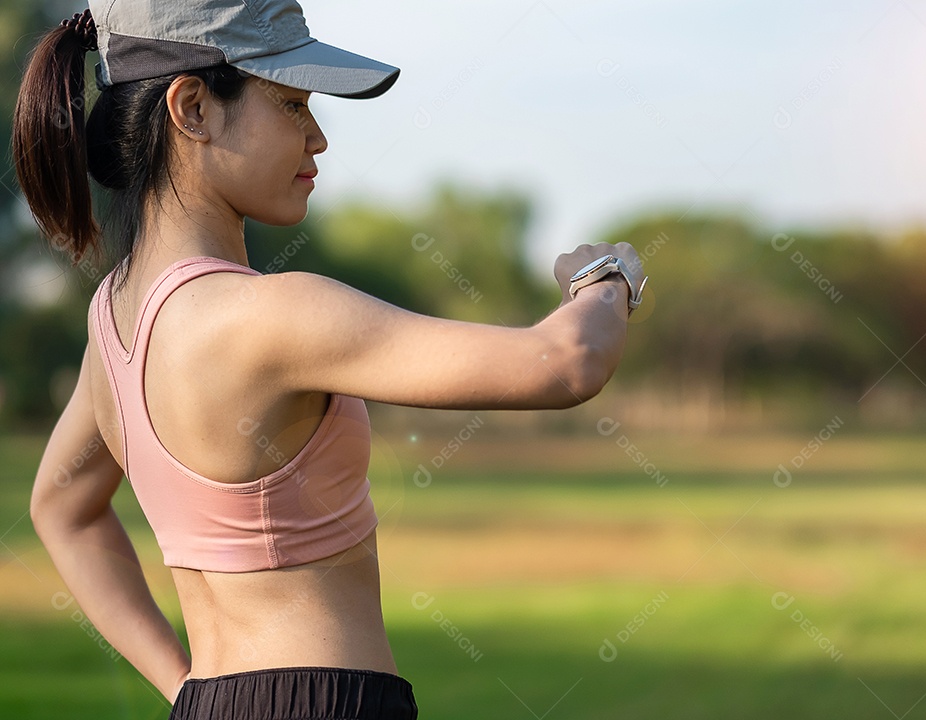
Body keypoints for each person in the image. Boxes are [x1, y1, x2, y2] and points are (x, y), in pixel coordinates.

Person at [16, 1, 648, 718]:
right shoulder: (272, 315)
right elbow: (566, 364)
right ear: (192, 106)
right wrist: (607, 276)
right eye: (290, 103)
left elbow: (60, 508)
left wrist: (184, 688)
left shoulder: (113, 322)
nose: (317, 137)